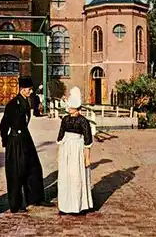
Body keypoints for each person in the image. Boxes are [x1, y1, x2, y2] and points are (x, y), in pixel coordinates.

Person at [0, 76, 54, 213]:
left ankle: (36, 198)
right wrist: (6, 141)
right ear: (23, 90)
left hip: (25, 138)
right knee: (17, 172)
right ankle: (16, 204)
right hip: (16, 140)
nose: (31, 92)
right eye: (29, 89)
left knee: (34, 168)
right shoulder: (12, 104)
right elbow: (3, 125)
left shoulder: (26, 101)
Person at [57, 86, 93, 215]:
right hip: (66, 149)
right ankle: (65, 205)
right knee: (65, 177)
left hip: (77, 150)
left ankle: (79, 205)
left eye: (72, 108)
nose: (70, 110)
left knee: (76, 176)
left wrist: (87, 158)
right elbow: (60, 137)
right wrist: (59, 154)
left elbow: (88, 141)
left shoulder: (83, 121)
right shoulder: (65, 119)